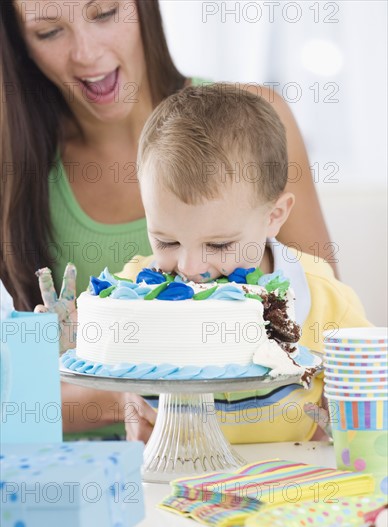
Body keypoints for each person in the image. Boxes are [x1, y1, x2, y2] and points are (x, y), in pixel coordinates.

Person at [2, 0, 337, 439]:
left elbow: (327, 337)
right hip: (99, 474)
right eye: (49, 32)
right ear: (19, 43)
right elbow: (17, 403)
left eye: (103, 12)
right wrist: (137, 389)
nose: (85, 52)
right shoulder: (15, 163)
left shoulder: (256, 126)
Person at [37, 84, 371, 444]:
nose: (191, 265)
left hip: (287, 477)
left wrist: (346, 424)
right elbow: (86, 361)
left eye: (219, 244)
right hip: (173, 477)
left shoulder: (319, 294)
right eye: (167, 240)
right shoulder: (130, 295)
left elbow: (368, 378)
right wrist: (71, 342)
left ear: (274, 216)